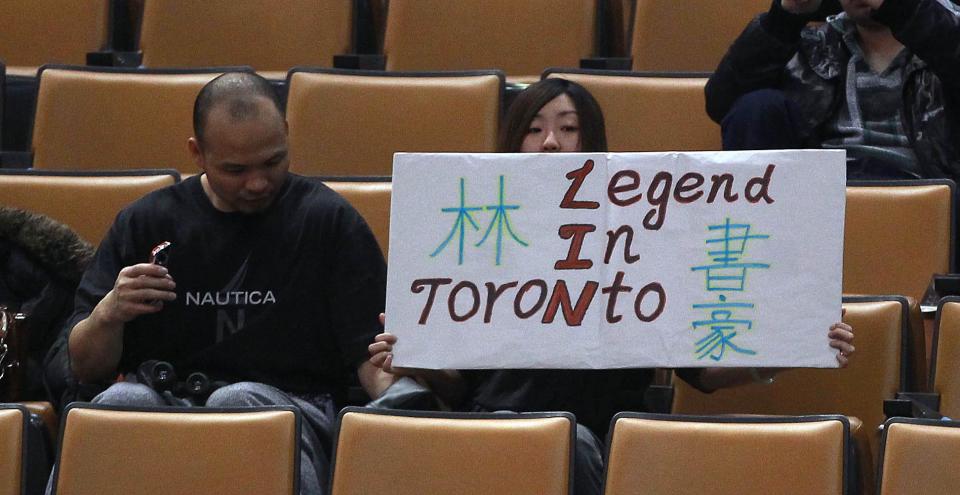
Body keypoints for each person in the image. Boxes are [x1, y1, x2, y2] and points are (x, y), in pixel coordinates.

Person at [369, 78, 857, 495]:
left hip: (595, 439)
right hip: (486, 426)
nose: (551, 143)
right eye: (534, 130)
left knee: (570, 443)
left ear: (593, 141)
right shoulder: (476, 236)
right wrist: (420, 358)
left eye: (568, 128)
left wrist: (796, 346)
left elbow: (703, 373)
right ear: (512, 141)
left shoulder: (641, 237)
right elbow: (462, 385)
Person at [61, 72, 393, 495]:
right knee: (119, 406)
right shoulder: (148, 221)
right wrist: (109, 314)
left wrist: (406, 385)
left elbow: (371, 356)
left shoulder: (327, 220)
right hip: (167, 397)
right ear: (197, 154)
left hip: (290, 406)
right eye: (235, 170)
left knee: (238, 402)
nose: (257, 183)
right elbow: (85, 366)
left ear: (287, 135)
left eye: (273, 162)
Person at [707, 0, 960, 181]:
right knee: (756, 107)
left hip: (927, 190)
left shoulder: (946, 34)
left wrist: (903, 10)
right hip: (821, 192)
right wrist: (784, 18)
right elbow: (721, 104)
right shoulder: (813, 44)